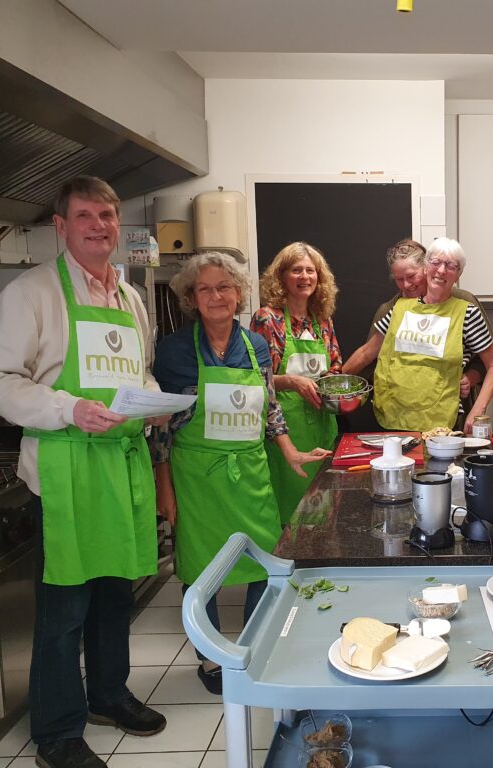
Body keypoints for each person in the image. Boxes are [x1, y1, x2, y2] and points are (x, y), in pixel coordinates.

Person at [0, 177, 166, 768]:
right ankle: (57, 731)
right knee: (63, 612)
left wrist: (155, 401)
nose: (98, 226)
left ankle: (108, 694)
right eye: (84, 216)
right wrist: (69, 408)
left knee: (114, 595)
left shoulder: (130, 298)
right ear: (61, 226)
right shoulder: (30, 293)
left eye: (107, 215)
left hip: (120, 467)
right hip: (62, 472)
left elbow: (142, 371)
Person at [151, 252, 328, 694]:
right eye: (205, 289)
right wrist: (164, 484)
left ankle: (252, 642)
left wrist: (289, 451)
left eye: (224, 287)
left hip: (250, 470)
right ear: (192, 298)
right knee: (200, 566)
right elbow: (162, 425)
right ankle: (212, 660)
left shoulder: (256, 345)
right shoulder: (173, 351)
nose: (216, 296)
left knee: (264, 559)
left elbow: (268, 406)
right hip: (198, 475)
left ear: (238, 293)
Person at [343, 237, 493, 434]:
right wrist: (337, 382)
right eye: (399, 280)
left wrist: (473, 389)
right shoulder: (395, 308)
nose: (406, 285)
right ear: (429, 266)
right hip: (395, 415)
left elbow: (492, 363)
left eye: (411, 276)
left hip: (444, 415)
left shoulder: (465, 307)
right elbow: (368, 353)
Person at [251, 242, 341, 523]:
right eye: (296, 270)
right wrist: (292, 382)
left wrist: (332, 384)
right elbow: (254, 381)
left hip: (323, 426)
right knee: (291, 514)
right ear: (281, 277)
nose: (305, 277)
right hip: (286, 434)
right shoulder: (268, 319)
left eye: (310, 271)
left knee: (324, 510)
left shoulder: (322, 320)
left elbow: (335, 365)